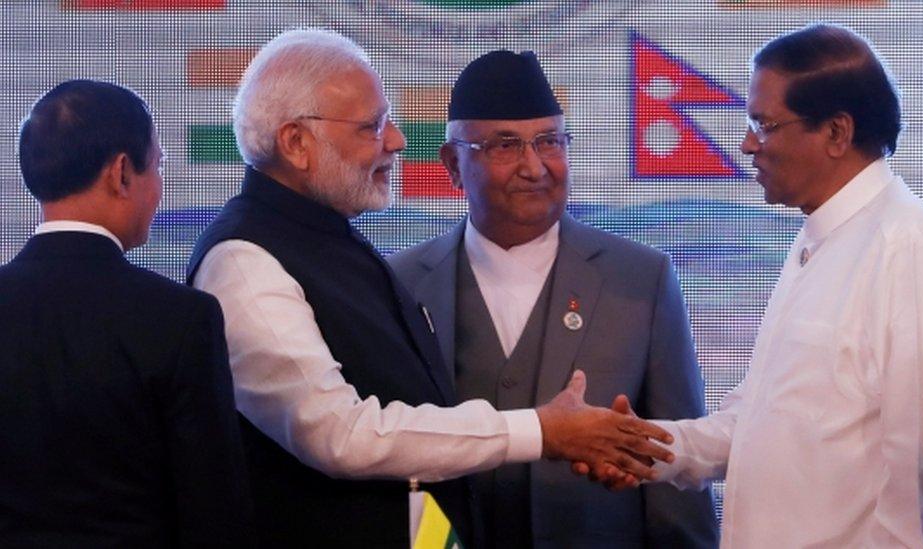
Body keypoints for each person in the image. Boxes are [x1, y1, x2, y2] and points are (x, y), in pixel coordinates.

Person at [186, 29, 674, 548]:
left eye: (551, 140)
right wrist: (541, 430)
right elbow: (338, 435)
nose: (396, 140)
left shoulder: (331, 241)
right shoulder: (245, 261)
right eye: (372, 126)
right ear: (296, 143)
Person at [631, 24, 923, 547]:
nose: (747, 144)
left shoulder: (907, 245)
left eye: (764, 124)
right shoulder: (821, 236)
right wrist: (651, 447)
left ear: (836, 132)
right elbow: (763, 421)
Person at [388, 50, 718, 548]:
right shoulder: (400, 283)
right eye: (505, 145)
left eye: (550, 142)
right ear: (454, 164)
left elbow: (675, 467)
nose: (534, 166)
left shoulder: (640, 279)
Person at [0, 80, 253, 547]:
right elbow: (215, 511)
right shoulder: (179, 319)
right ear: (120, 173)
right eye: (157, 165)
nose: (158, 188)